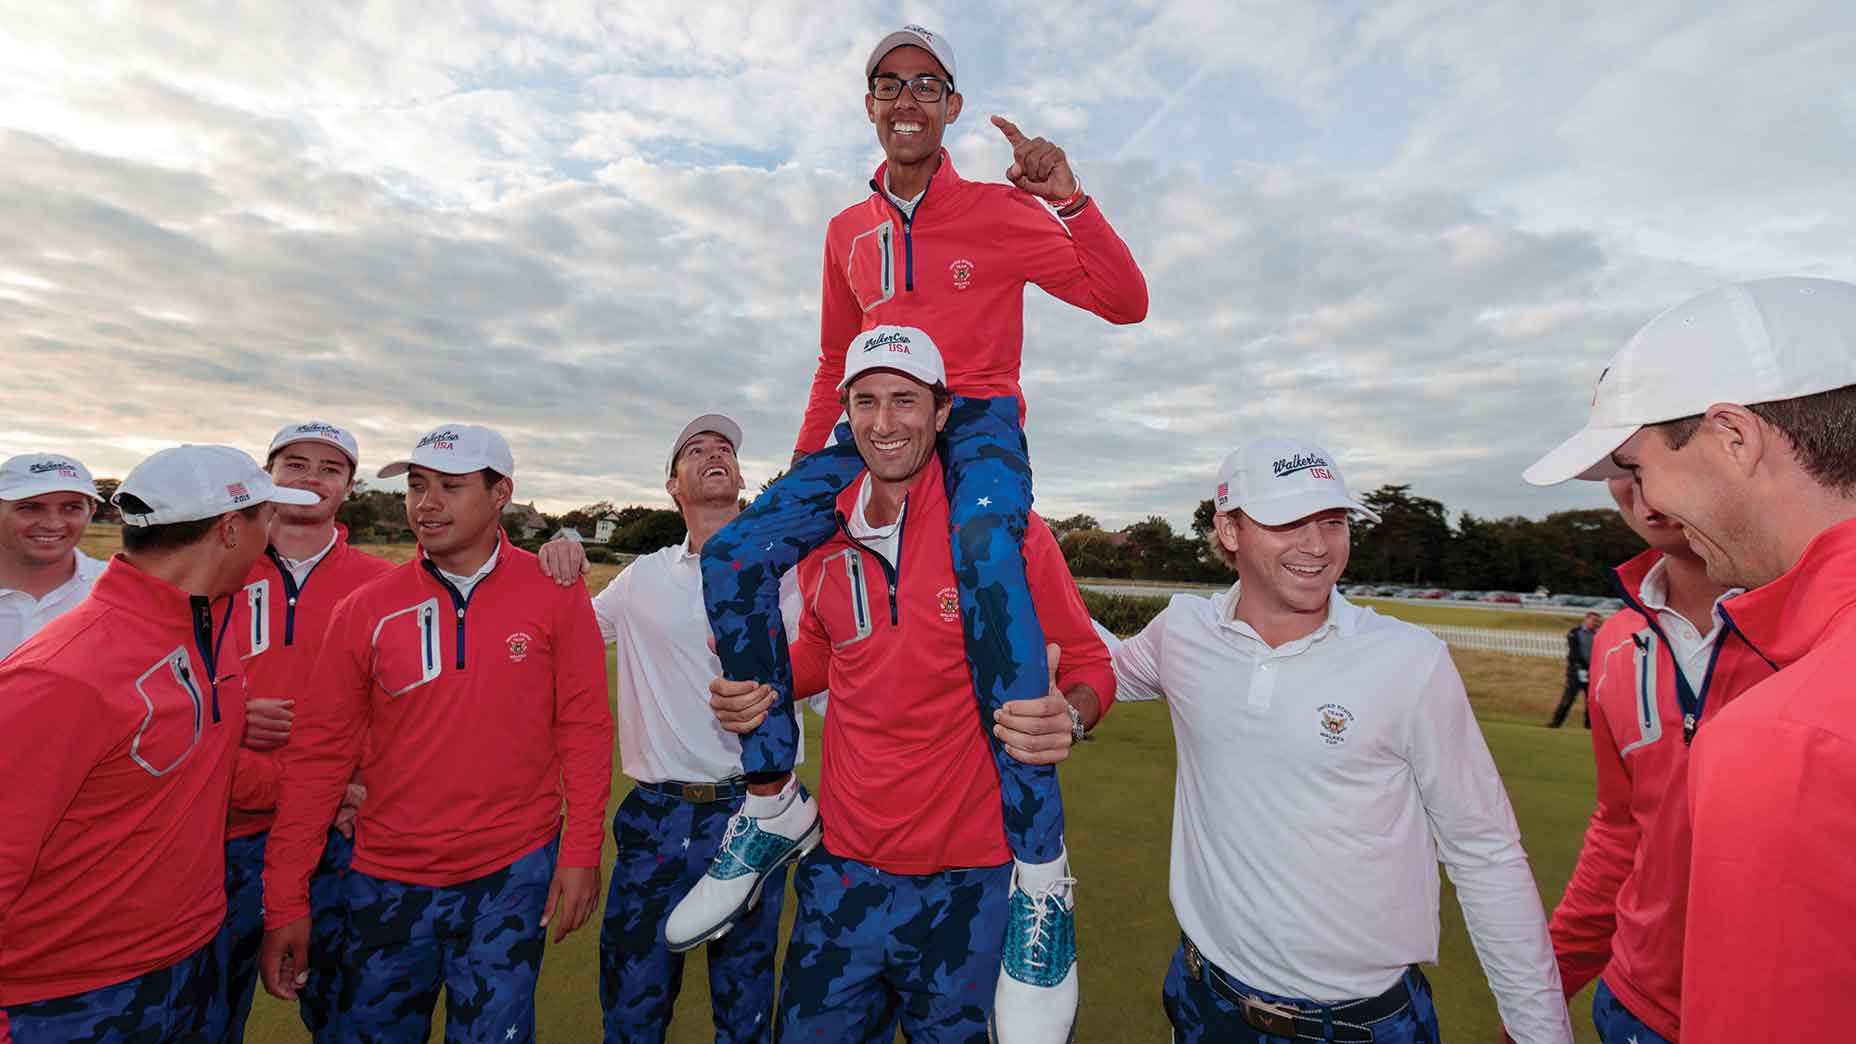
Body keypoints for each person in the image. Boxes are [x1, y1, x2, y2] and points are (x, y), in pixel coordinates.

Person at [682, 26, 1147, 1033]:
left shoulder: (994, 208)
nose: (905, 98)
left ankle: (1036, 877)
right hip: (868, 422)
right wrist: (806, 479)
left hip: (971, 419)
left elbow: (1123, 301)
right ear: (868, 104)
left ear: (949, 105)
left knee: (986, 552)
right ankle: (769, 800)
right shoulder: (846, 226)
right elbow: (826, 359)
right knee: (732, 556)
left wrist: (1065, 195)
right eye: (886, 84)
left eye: (925, 85)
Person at [703, 331, 1114, 1043]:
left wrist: (1070, 717)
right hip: (845, 874)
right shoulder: (818, 538)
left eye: (904, 400)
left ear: (943, 411)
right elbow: (830, 656)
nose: (885, 423)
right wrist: (758, 687)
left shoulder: (1010, 535)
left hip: (973, 884)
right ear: (846, 413)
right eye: (866, 401)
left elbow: (1088, 665)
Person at [1112, 436, 1573, 1043]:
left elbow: (1485, 852)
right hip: (1205, 1003)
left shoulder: (1410, 661)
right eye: (1287, 522)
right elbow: (1100, 665)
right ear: (1228, 530)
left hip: (1362, 1026)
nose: (1316, 546)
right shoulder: (1183, 633)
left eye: (1332, 522)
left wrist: (1540, 1031)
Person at [1523, 275, 1856, 1042]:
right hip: (1631, 997)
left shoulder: (1790, 729)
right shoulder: (1619, 649)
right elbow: (1620, 829)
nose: (1645, 503)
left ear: (1734, 437)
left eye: (1636, 466)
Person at [257, 424, 613, 1043]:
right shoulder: (367, 607)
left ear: (501, 492)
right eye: (417, 487)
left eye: (450, 487)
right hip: (387, 877)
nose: (427, 504)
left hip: (512, 871)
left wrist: (581, 852)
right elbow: (318, 759)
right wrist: (285, 900)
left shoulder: (555, 593)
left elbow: (583, 729)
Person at [0, 445, 318, 1041]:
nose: (272, 534)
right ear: (230, 530)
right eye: (265, 518)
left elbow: (206, 762)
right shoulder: (58, 675)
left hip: (189, 954)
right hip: (69, 995)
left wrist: (325, 796)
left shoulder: (206, 625)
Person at [534, 414, 815, 1043]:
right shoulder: (642, 578)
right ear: (673, 485)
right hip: (656, 820)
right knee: (633, 1007)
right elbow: (560, 638)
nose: (715, 454)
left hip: (755, 818)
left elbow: (840, 680)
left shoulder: (791, 574)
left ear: (741, 478)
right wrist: (557, 555)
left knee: (743, 1012)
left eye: (725, 450)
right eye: (697, 450)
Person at [1536, 477, 1772, 1043]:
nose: (1639, 483)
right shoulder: (1617, 642)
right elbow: (1622, 829)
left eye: (1671, 441)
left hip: (1781, 1013)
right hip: (1633, 1009)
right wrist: (1548, 980)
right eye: (1621, 463)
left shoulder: (1828, 624)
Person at [216, 421, 394, 1043]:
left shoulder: (381, 581)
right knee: (203, 1010)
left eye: (329, 468)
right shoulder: (213, 563)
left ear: (348, 486)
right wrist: (234, 712)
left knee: (345, 1008)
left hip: (334, 827)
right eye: (295, 463)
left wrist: (358, 781)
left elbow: (395, 702)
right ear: (268, 474)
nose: (310, 478)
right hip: (223, 826)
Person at [0, 452, 105, 659]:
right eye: (29, 508)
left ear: (91, 512)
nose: (52, 524)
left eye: (70, 507)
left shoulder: (118, 589)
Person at [1546, 612, 1600, 728]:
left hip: (1592, 672)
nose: (1596, 623)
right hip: (1576, 671)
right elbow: (1574, 652)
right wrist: (1579, 666)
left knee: (1591, 701)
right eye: (1594, 620)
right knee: (1568, 698)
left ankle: (1589, 725)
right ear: (1586, 620)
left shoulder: (1597, 635)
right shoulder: (1575, 633)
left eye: (1597, 621)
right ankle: (1556, 722)